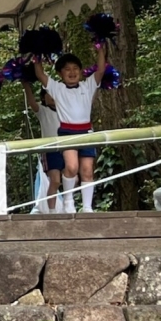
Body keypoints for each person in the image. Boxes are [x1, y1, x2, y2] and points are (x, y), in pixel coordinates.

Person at [34, 45, 106, 213]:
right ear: (60, 73)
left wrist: (100, 49)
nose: (72, 72)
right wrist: (37, 55)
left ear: (80, 71)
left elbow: (101, 70)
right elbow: (40, 75)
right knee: (72, 167)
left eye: (75, 68)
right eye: (67, 69)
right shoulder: (56, 88)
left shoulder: (88, 85)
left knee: (87, 170)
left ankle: (87, 207)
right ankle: (68, 200)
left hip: (87, 132)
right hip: (67, 132)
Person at [23, 82, 62, 212]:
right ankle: (52, 211)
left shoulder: (65, 111)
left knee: (73, 178)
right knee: (55, 180)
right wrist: (26, 85)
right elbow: (32, 103)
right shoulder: (43, 111)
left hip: (66, 149)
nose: (52, 97)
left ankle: (69, 205)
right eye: (48, 94)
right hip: (50, 151)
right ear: (43, 97)